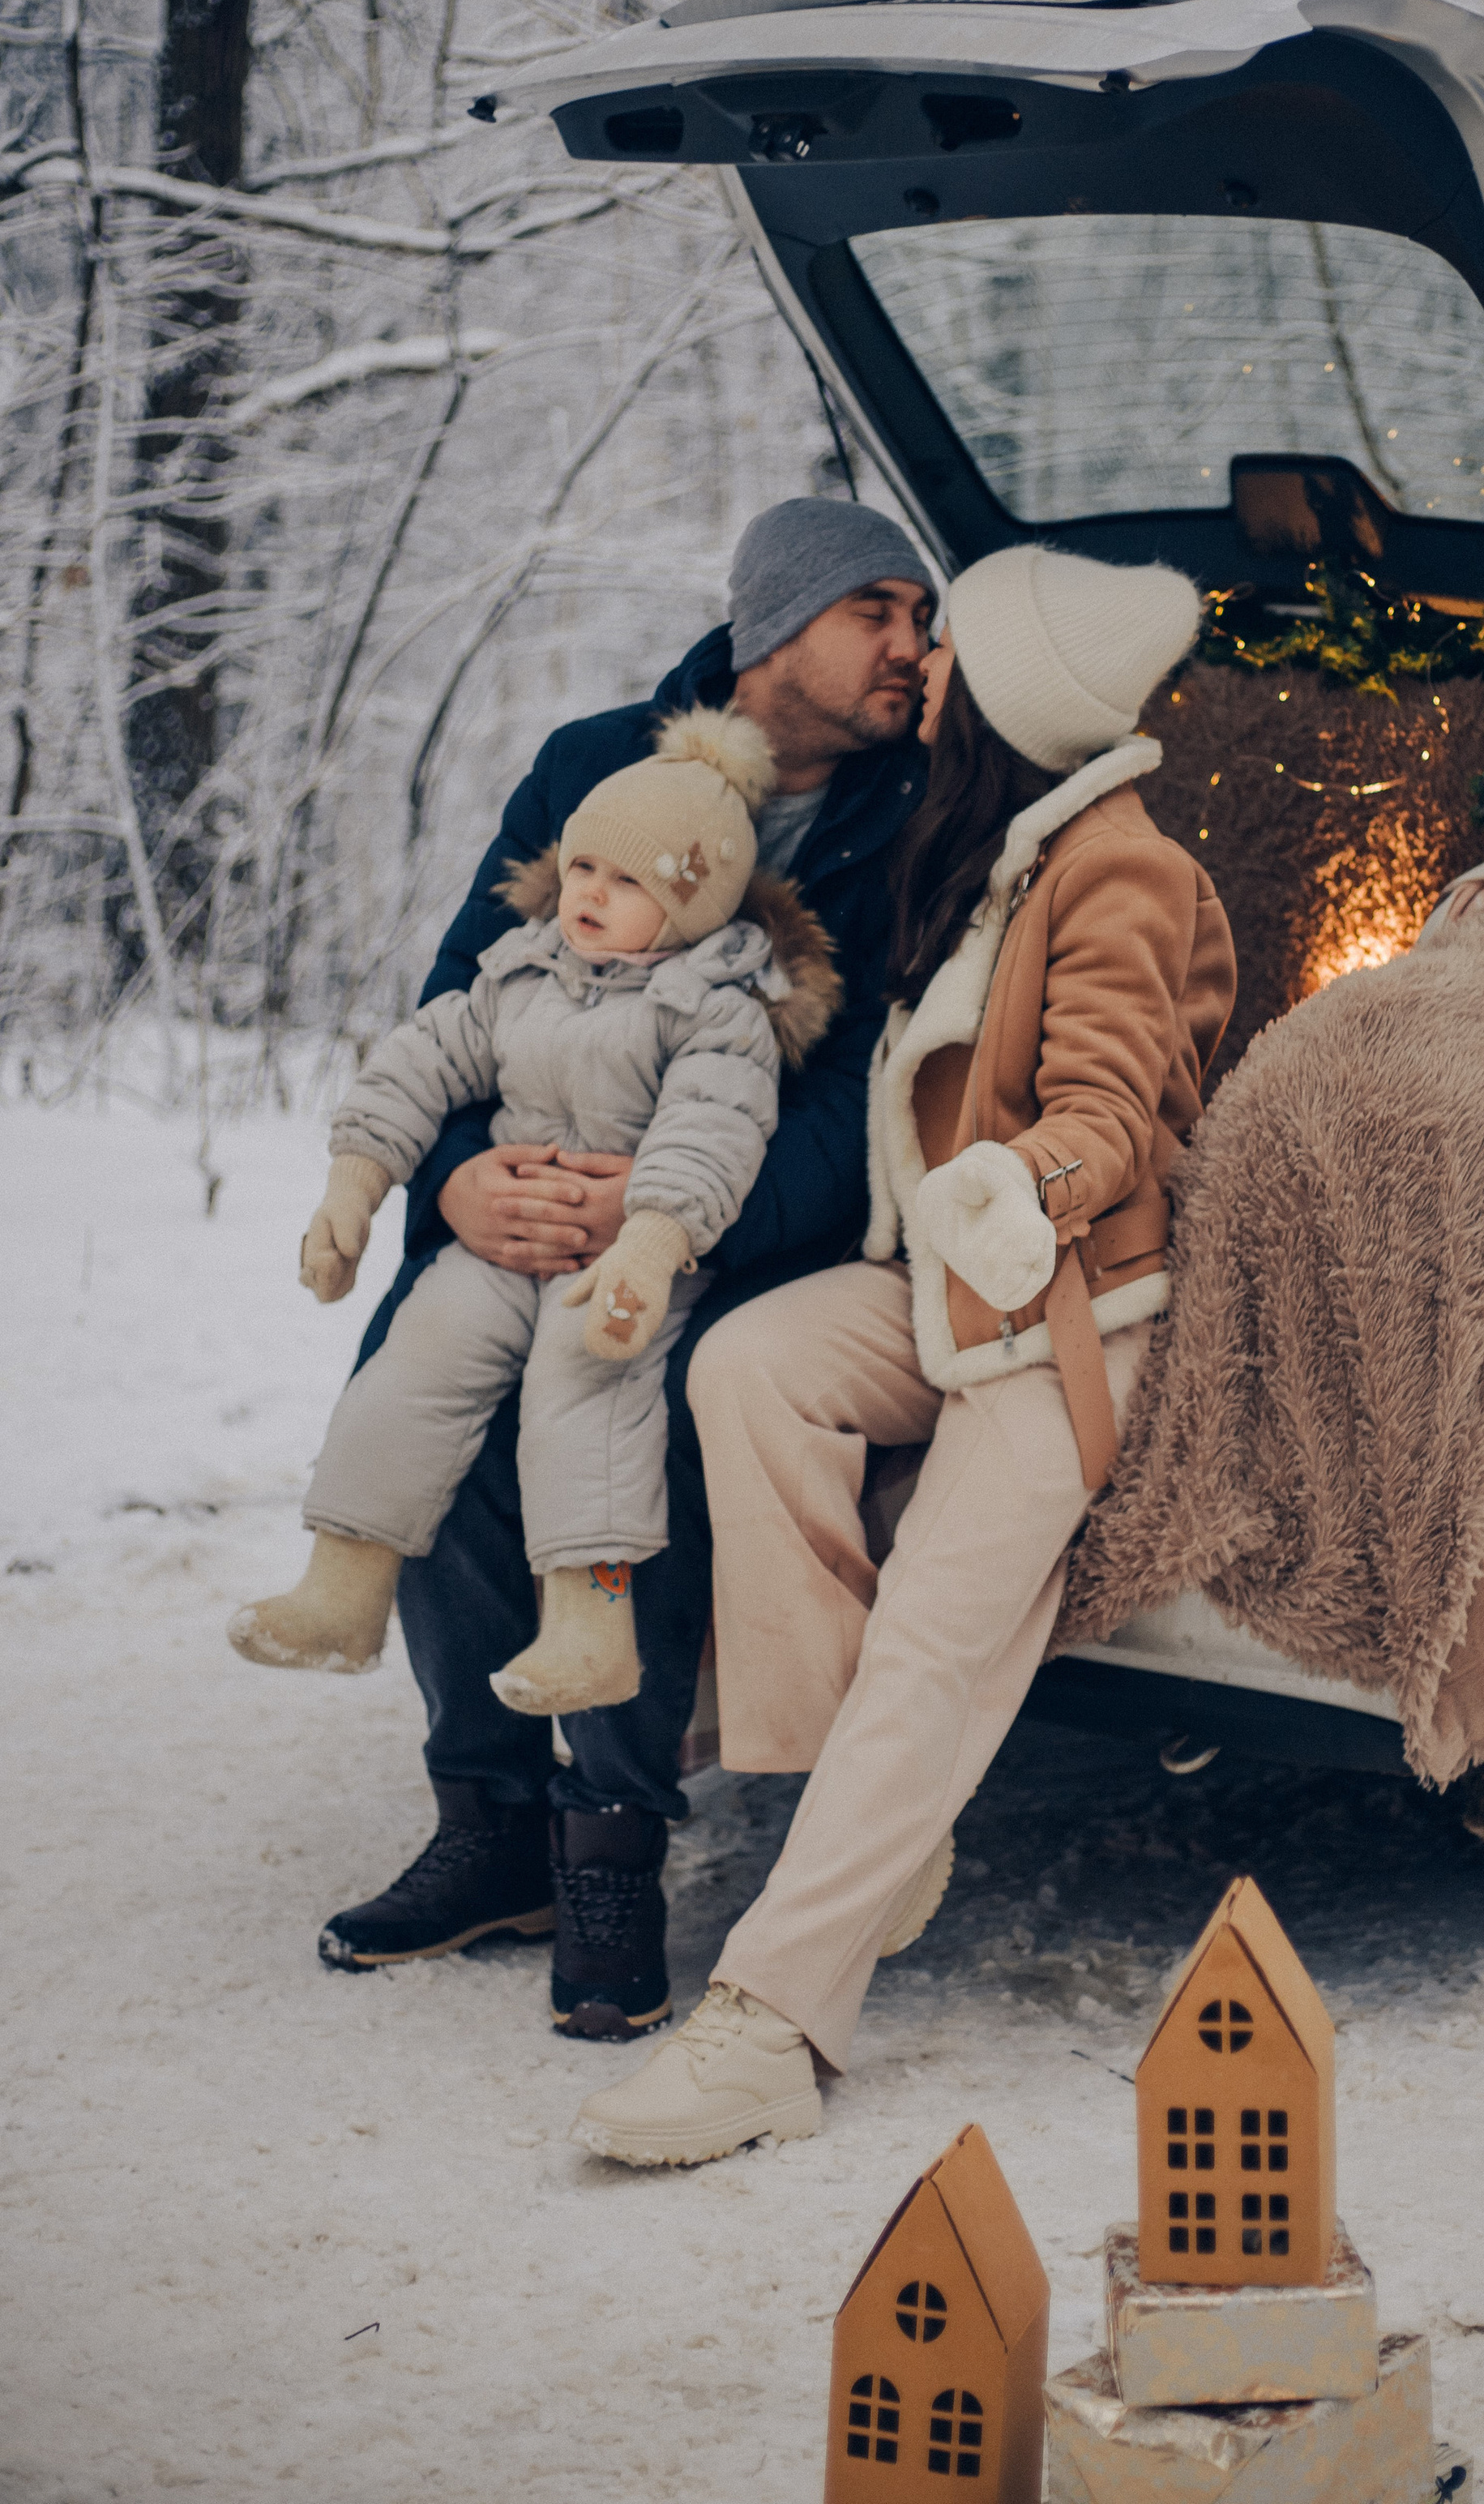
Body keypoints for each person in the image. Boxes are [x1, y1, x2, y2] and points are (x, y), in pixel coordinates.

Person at [568, 543, 1237, 2166]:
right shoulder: (999, 850)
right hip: (942, 1284)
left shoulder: (1120, 869)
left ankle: (771, 2027)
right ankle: (863, 1826)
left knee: (944, 1626)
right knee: (747, 1365)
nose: (919, 662)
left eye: (949, 644)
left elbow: (1103, 1109)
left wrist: (1033, 1182)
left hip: (1063, 1312)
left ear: (1015, 691)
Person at [319, 499, 937, 2040]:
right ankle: (490, 1822)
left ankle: (610, 1847)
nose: (915, 655)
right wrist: (461, 1181)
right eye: (883, 615)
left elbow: (863, 1088)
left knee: (623, 1402)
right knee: (429, 1366)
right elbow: (467, 990)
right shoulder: (591, 761)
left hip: (733, 1217)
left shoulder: (918, 813)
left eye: (922, 625)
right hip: (527, 1180)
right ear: (777, 624)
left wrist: (676, 1223)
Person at [231, 710, 839, 1718]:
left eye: (628, 882)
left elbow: (711, 1132)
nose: (589, 895)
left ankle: (590, 1632)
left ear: (695, 901)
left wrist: (649, 1241)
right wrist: (356, 1180)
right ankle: (342, 1589)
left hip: (628, 1261)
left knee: (586, 1388)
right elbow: (420, 1062)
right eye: (584, 868)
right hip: (503, 1251)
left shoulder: (717, 1009)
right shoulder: (522, 970)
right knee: (417, 1358)